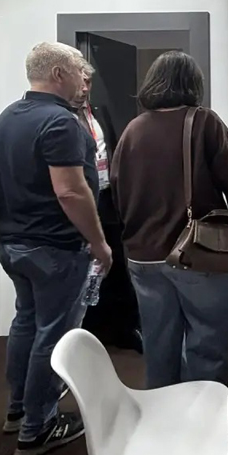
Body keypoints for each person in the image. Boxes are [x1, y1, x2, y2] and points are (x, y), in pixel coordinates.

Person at [0, 42, 112, 455]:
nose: (84, 82)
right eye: (79, 72)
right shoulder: (60, 122)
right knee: (53, 334)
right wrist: (98, 242)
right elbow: (70, 191)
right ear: (59, 73)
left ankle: (18, 409)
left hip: (11, 244)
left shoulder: (5, 120)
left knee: (26, 322)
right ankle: (38, 429)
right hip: (54, 247)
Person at [110, 50, 228, 388]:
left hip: (143, 257)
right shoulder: (204, 122)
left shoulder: (133, 129)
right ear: (193, 83)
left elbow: (117, 192)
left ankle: (164, 412)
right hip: (196, 253)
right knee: (210, 344)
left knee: (159, 345)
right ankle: (205, 414)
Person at [75, 66, 141, 351]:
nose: (85, 87)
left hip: (107, 199)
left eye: (89, 81)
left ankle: (123, 330)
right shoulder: (60, 118)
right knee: (84, 268)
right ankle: (86, 332)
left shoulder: (99, 112)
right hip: (79, 199)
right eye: (81, 81)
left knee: (115, 265)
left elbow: (113, 151)